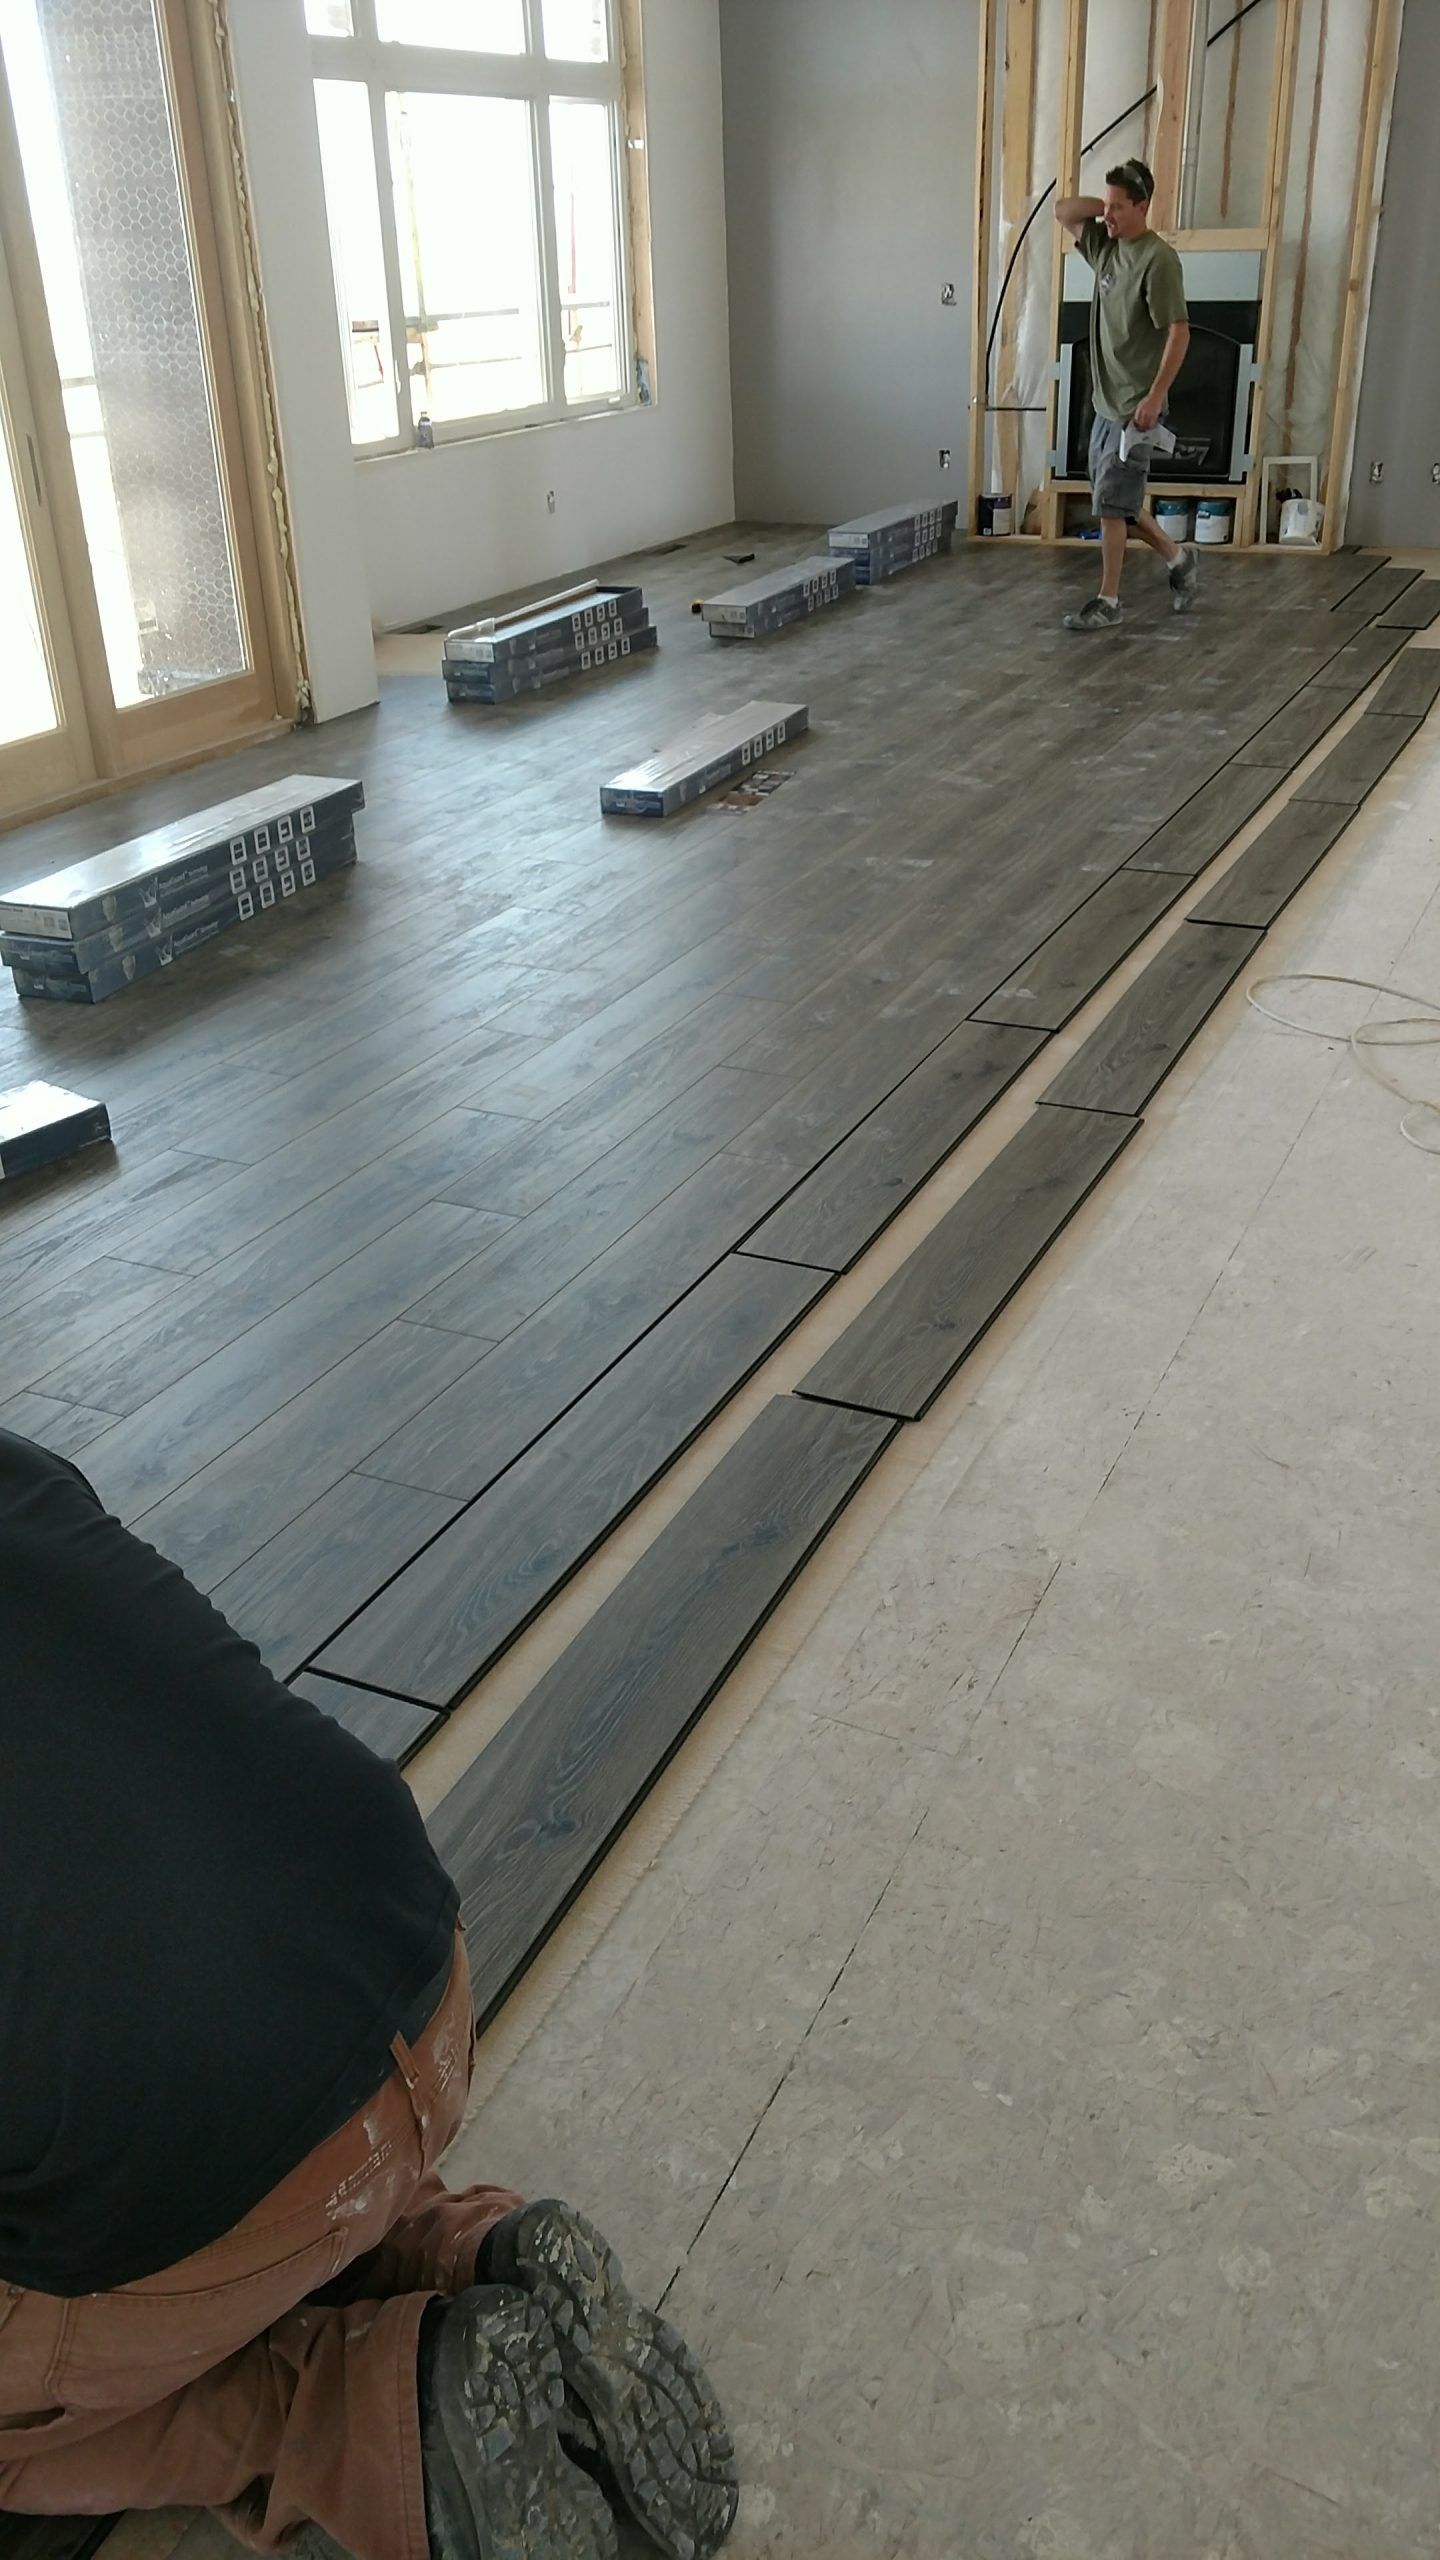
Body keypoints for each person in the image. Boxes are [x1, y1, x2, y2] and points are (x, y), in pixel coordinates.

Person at [0, 1426, 738, 2560]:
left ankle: (355, 2416)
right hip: (418, 1979)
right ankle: (464, 2246)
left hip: (203, 2178)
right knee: (195, 2093)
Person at [1054, 158, 1196, 629]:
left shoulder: (1158, 261)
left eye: (1119, 207)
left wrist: (1154, 399)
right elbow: (1063, 211)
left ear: (1143, 207)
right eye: (1107, 205)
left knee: (1111, 507)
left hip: (1136, 407)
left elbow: (1179, 333)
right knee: (1118, 502)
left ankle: (1108, 601)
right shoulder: (1105, 246)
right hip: (1105, 402)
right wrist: (1105, 205)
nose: (1107, 216)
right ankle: (1179, 560)